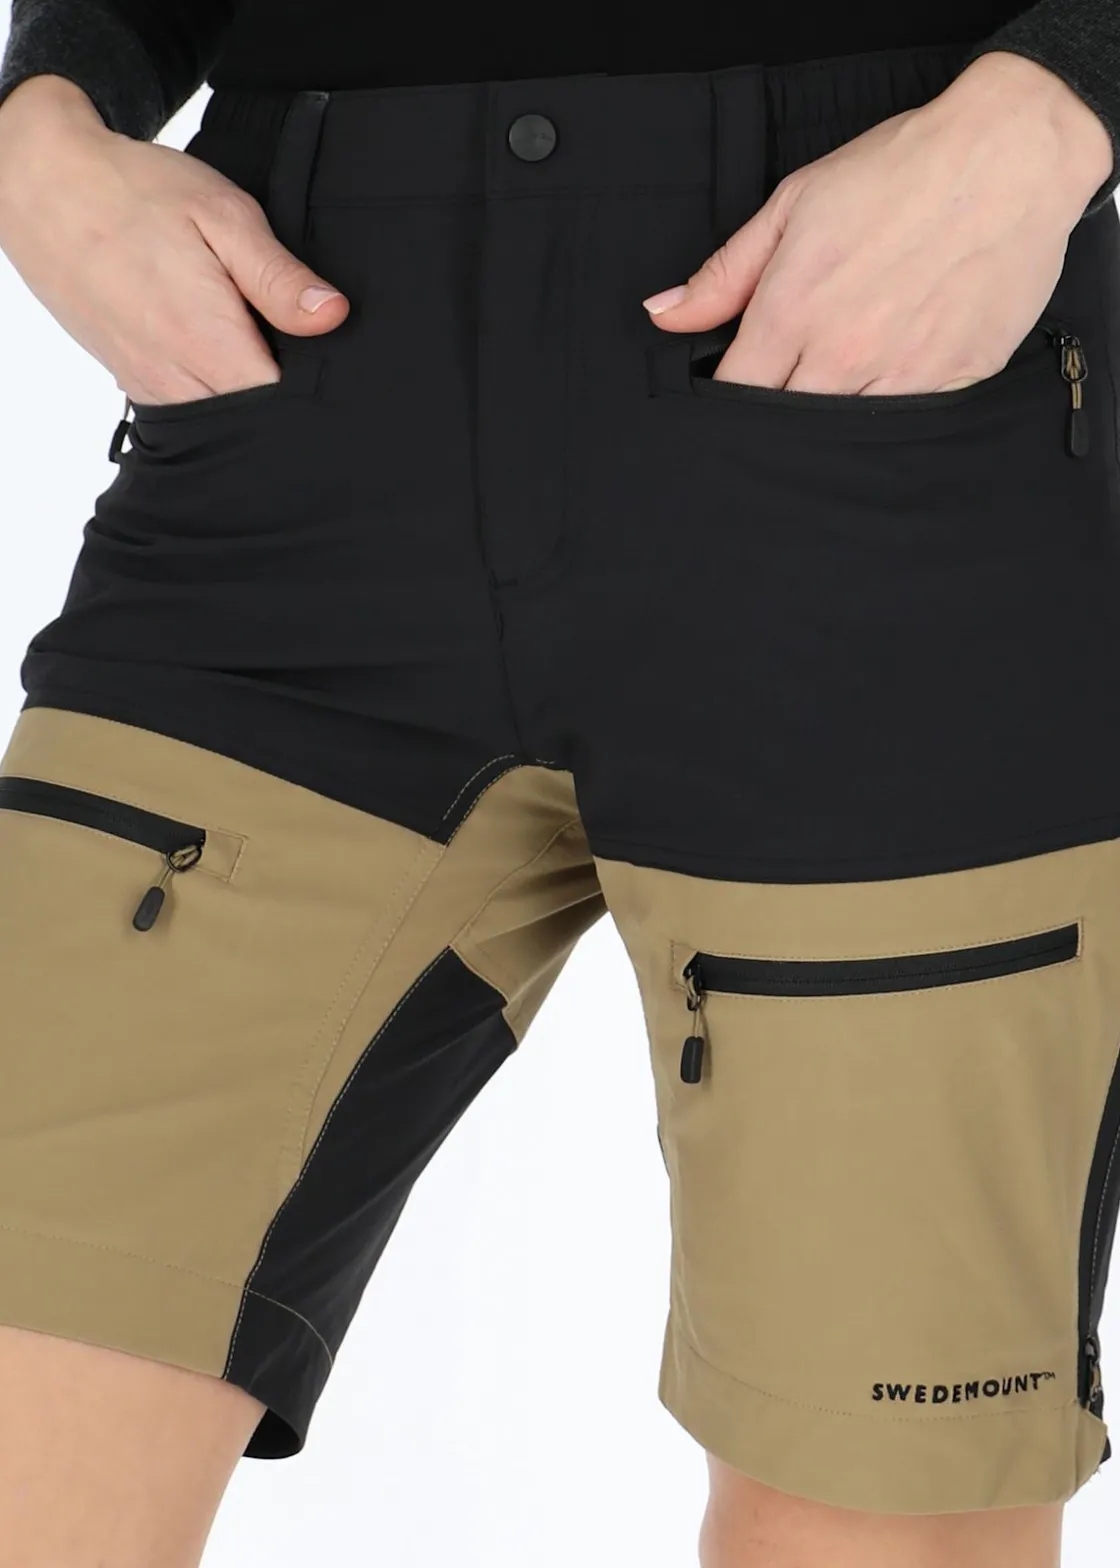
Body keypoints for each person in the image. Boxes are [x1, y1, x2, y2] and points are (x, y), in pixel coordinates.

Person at [0, 2, 1117, 1564]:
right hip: (286, 423)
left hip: (878, 389)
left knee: (865, 1501)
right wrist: (45, 117)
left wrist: (1060, 100)